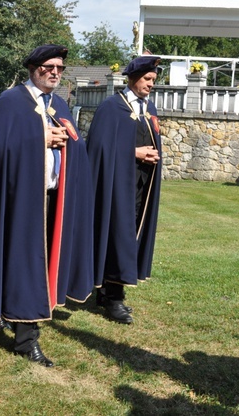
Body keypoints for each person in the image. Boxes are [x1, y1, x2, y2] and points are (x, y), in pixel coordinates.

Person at [0, 44, 96, 367]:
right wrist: (40, 138)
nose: (55, 73)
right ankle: (25, 338)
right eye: (49, 67)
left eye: (60, 68)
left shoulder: (59, 104)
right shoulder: (12, 101)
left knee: (39, 263)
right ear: (33, 68)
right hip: (20, 199)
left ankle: (17, 320)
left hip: (52, 198)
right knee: (22, 263)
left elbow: (74, 146)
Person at [87, 55, 163, 324]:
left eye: (153, 80)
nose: (151, 84)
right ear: (132, 78)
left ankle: (111, 291)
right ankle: (111, 296)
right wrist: (135, 152)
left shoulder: (148, 108)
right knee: (116, 233)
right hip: (116, 184)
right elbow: (98, 148)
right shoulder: (111, 107)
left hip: (142, 184)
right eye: (147, 79)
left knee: (130, 233)